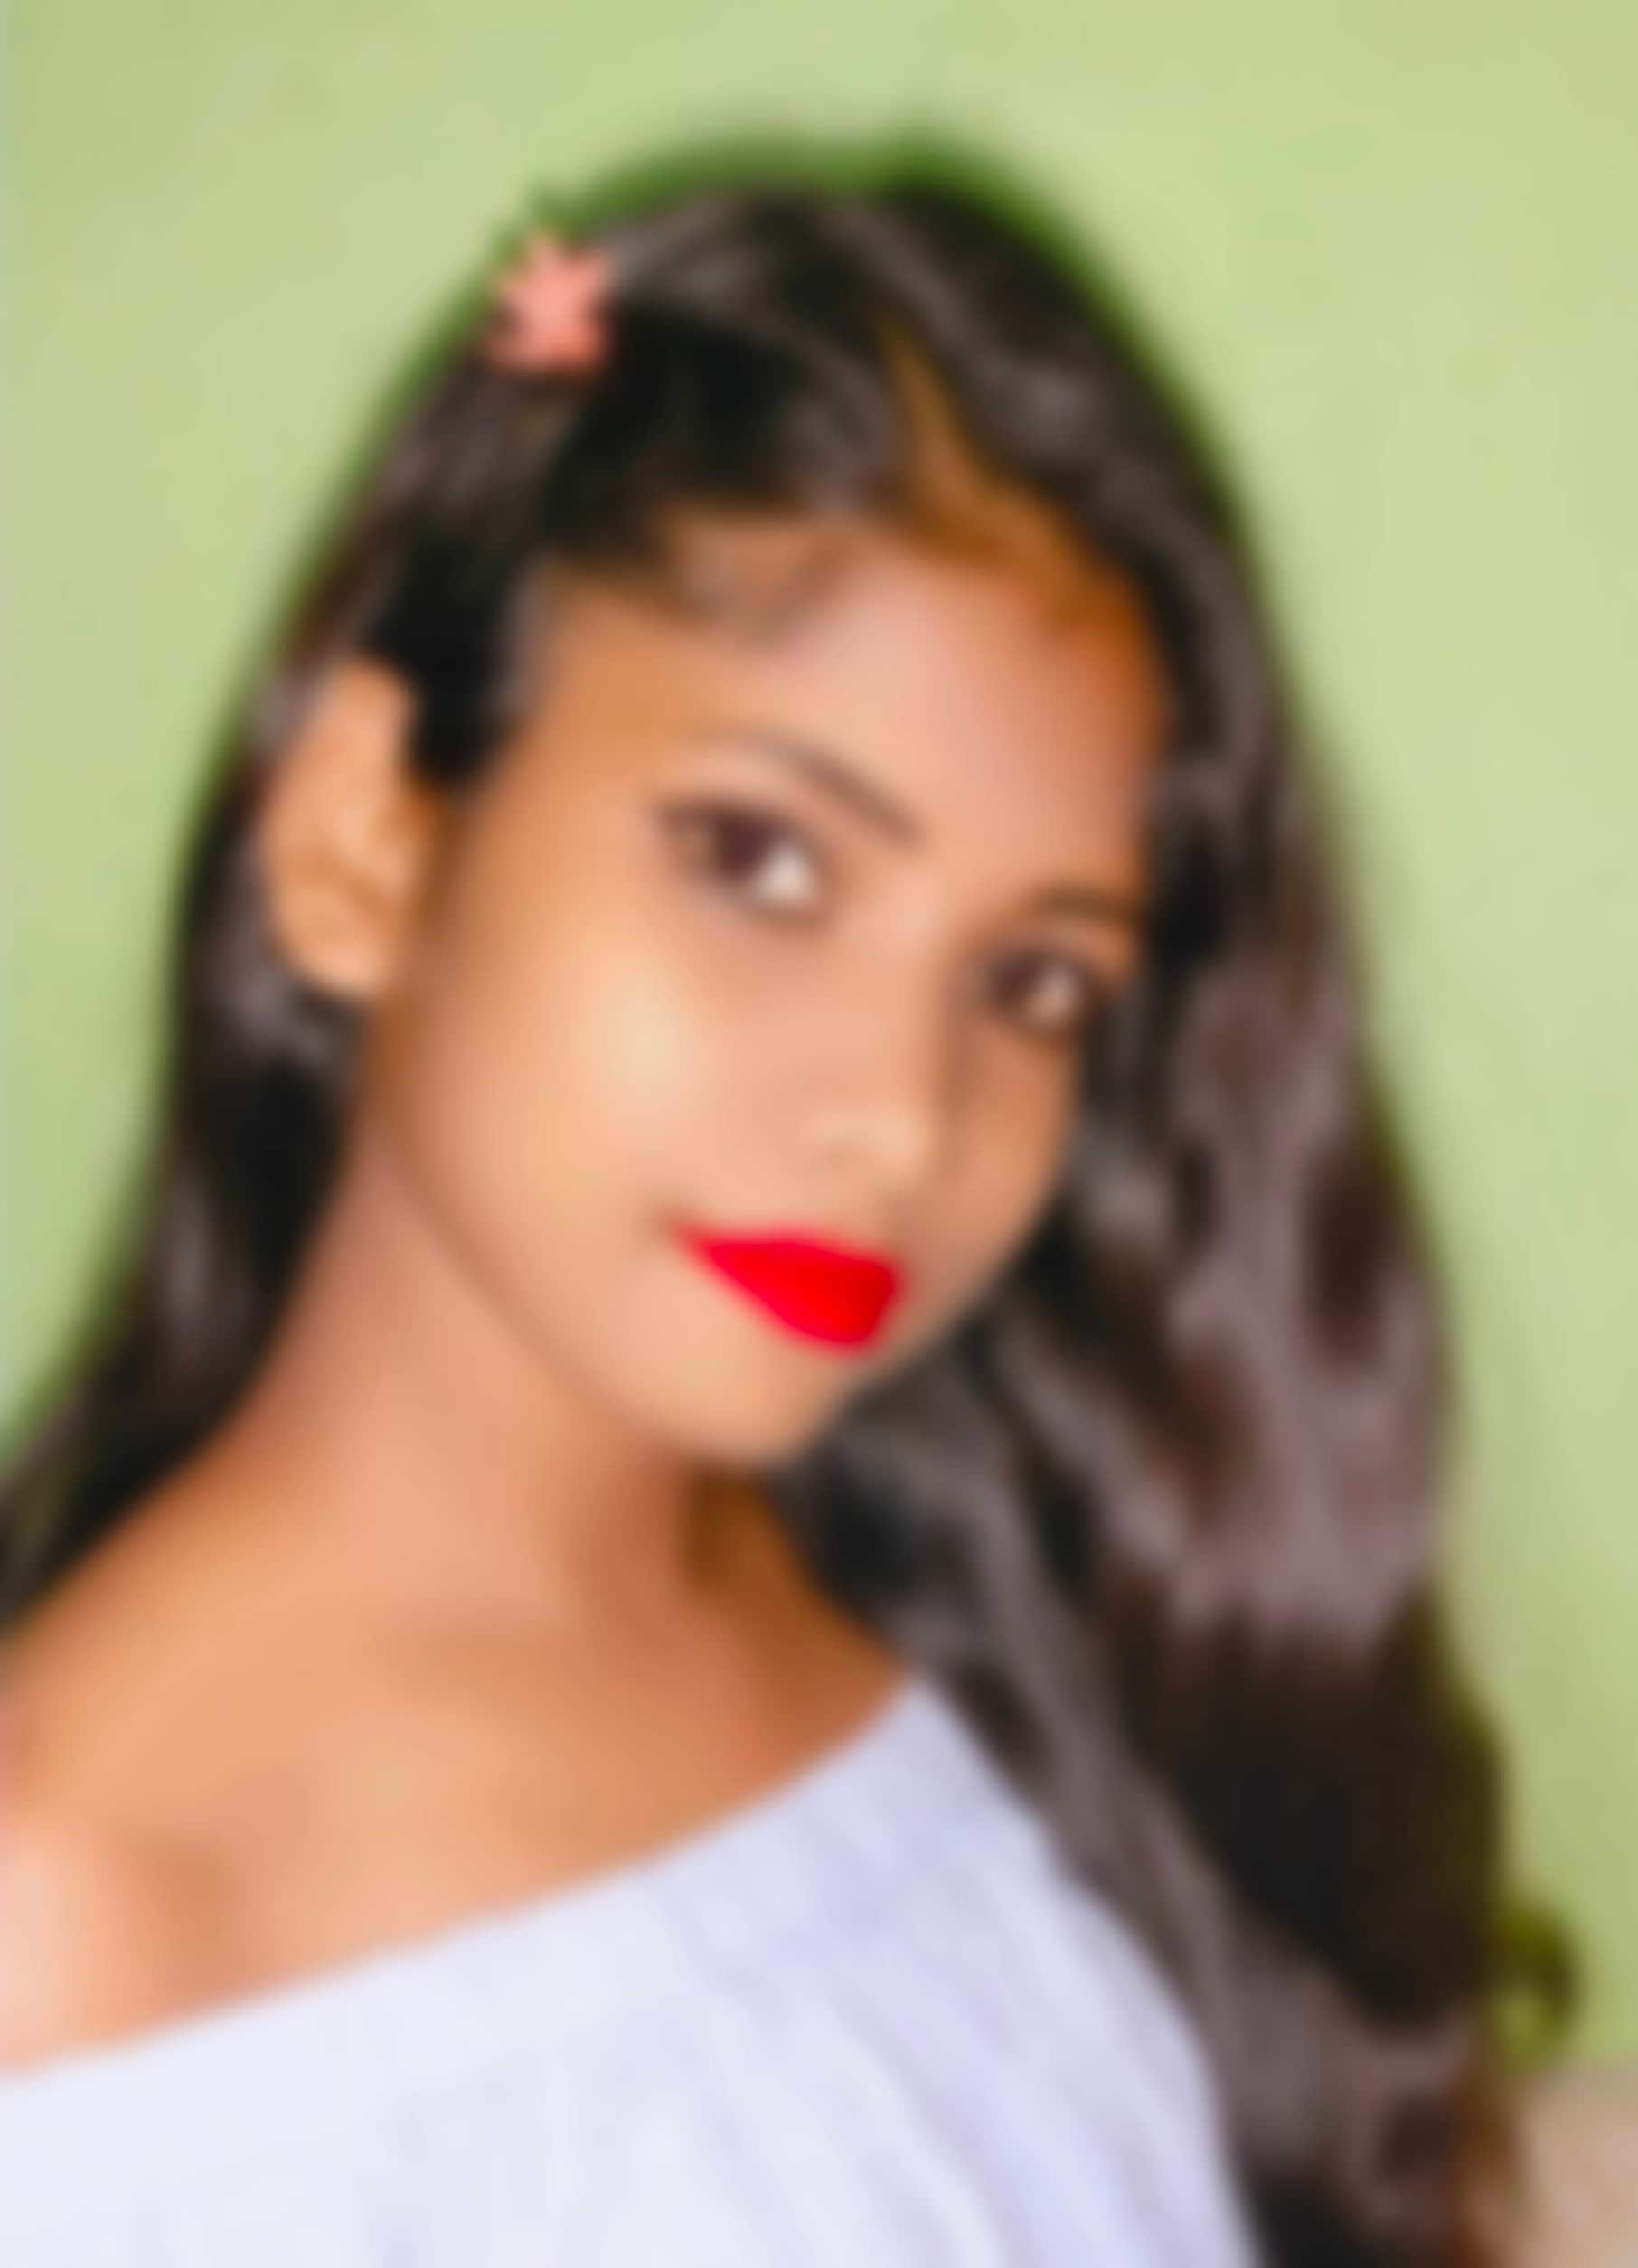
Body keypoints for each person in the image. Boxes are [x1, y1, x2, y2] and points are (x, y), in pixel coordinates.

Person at [0, 165, 1565, 2264]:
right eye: (761, 859)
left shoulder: (950, 1595)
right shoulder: (71, 1956)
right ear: (367, 835)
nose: (901, 1117)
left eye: (1034, 982)